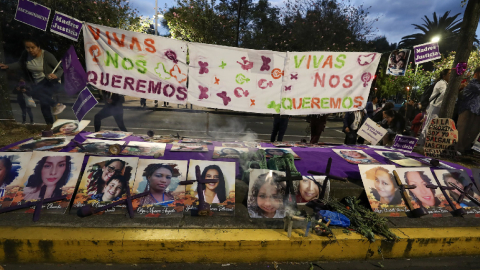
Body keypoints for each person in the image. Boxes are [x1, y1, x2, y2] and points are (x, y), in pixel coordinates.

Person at [0, 38, 66, 127]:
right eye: (27, 47)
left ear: (38, 47)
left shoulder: (47, 56)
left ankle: (57, 105)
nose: (30, 50)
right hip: (37, 83)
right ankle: (50, 126)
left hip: (49, 82)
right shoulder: (25, 54)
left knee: (33, 92)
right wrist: (8, 66)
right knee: (44, 105)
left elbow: (60, 69)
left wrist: (56, 75)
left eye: (33, 47)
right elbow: (20, 64)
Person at [418, 69, 451, 144]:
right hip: (435, 106)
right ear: (444, 76)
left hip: (437, 107)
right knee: (429, 125)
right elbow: (445, 93)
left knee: (432, 125)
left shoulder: (445, 83)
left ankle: (425, 143)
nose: (451, 75)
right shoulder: (442, 83)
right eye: (449, 73)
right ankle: (421, 143)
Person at [456, 67, 480, 155]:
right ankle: (458, 148)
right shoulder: (472, 83)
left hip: (477, 111)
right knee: (462, 129)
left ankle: (465, 148)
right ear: (477, 73)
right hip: (467, 109)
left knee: (473, 131)